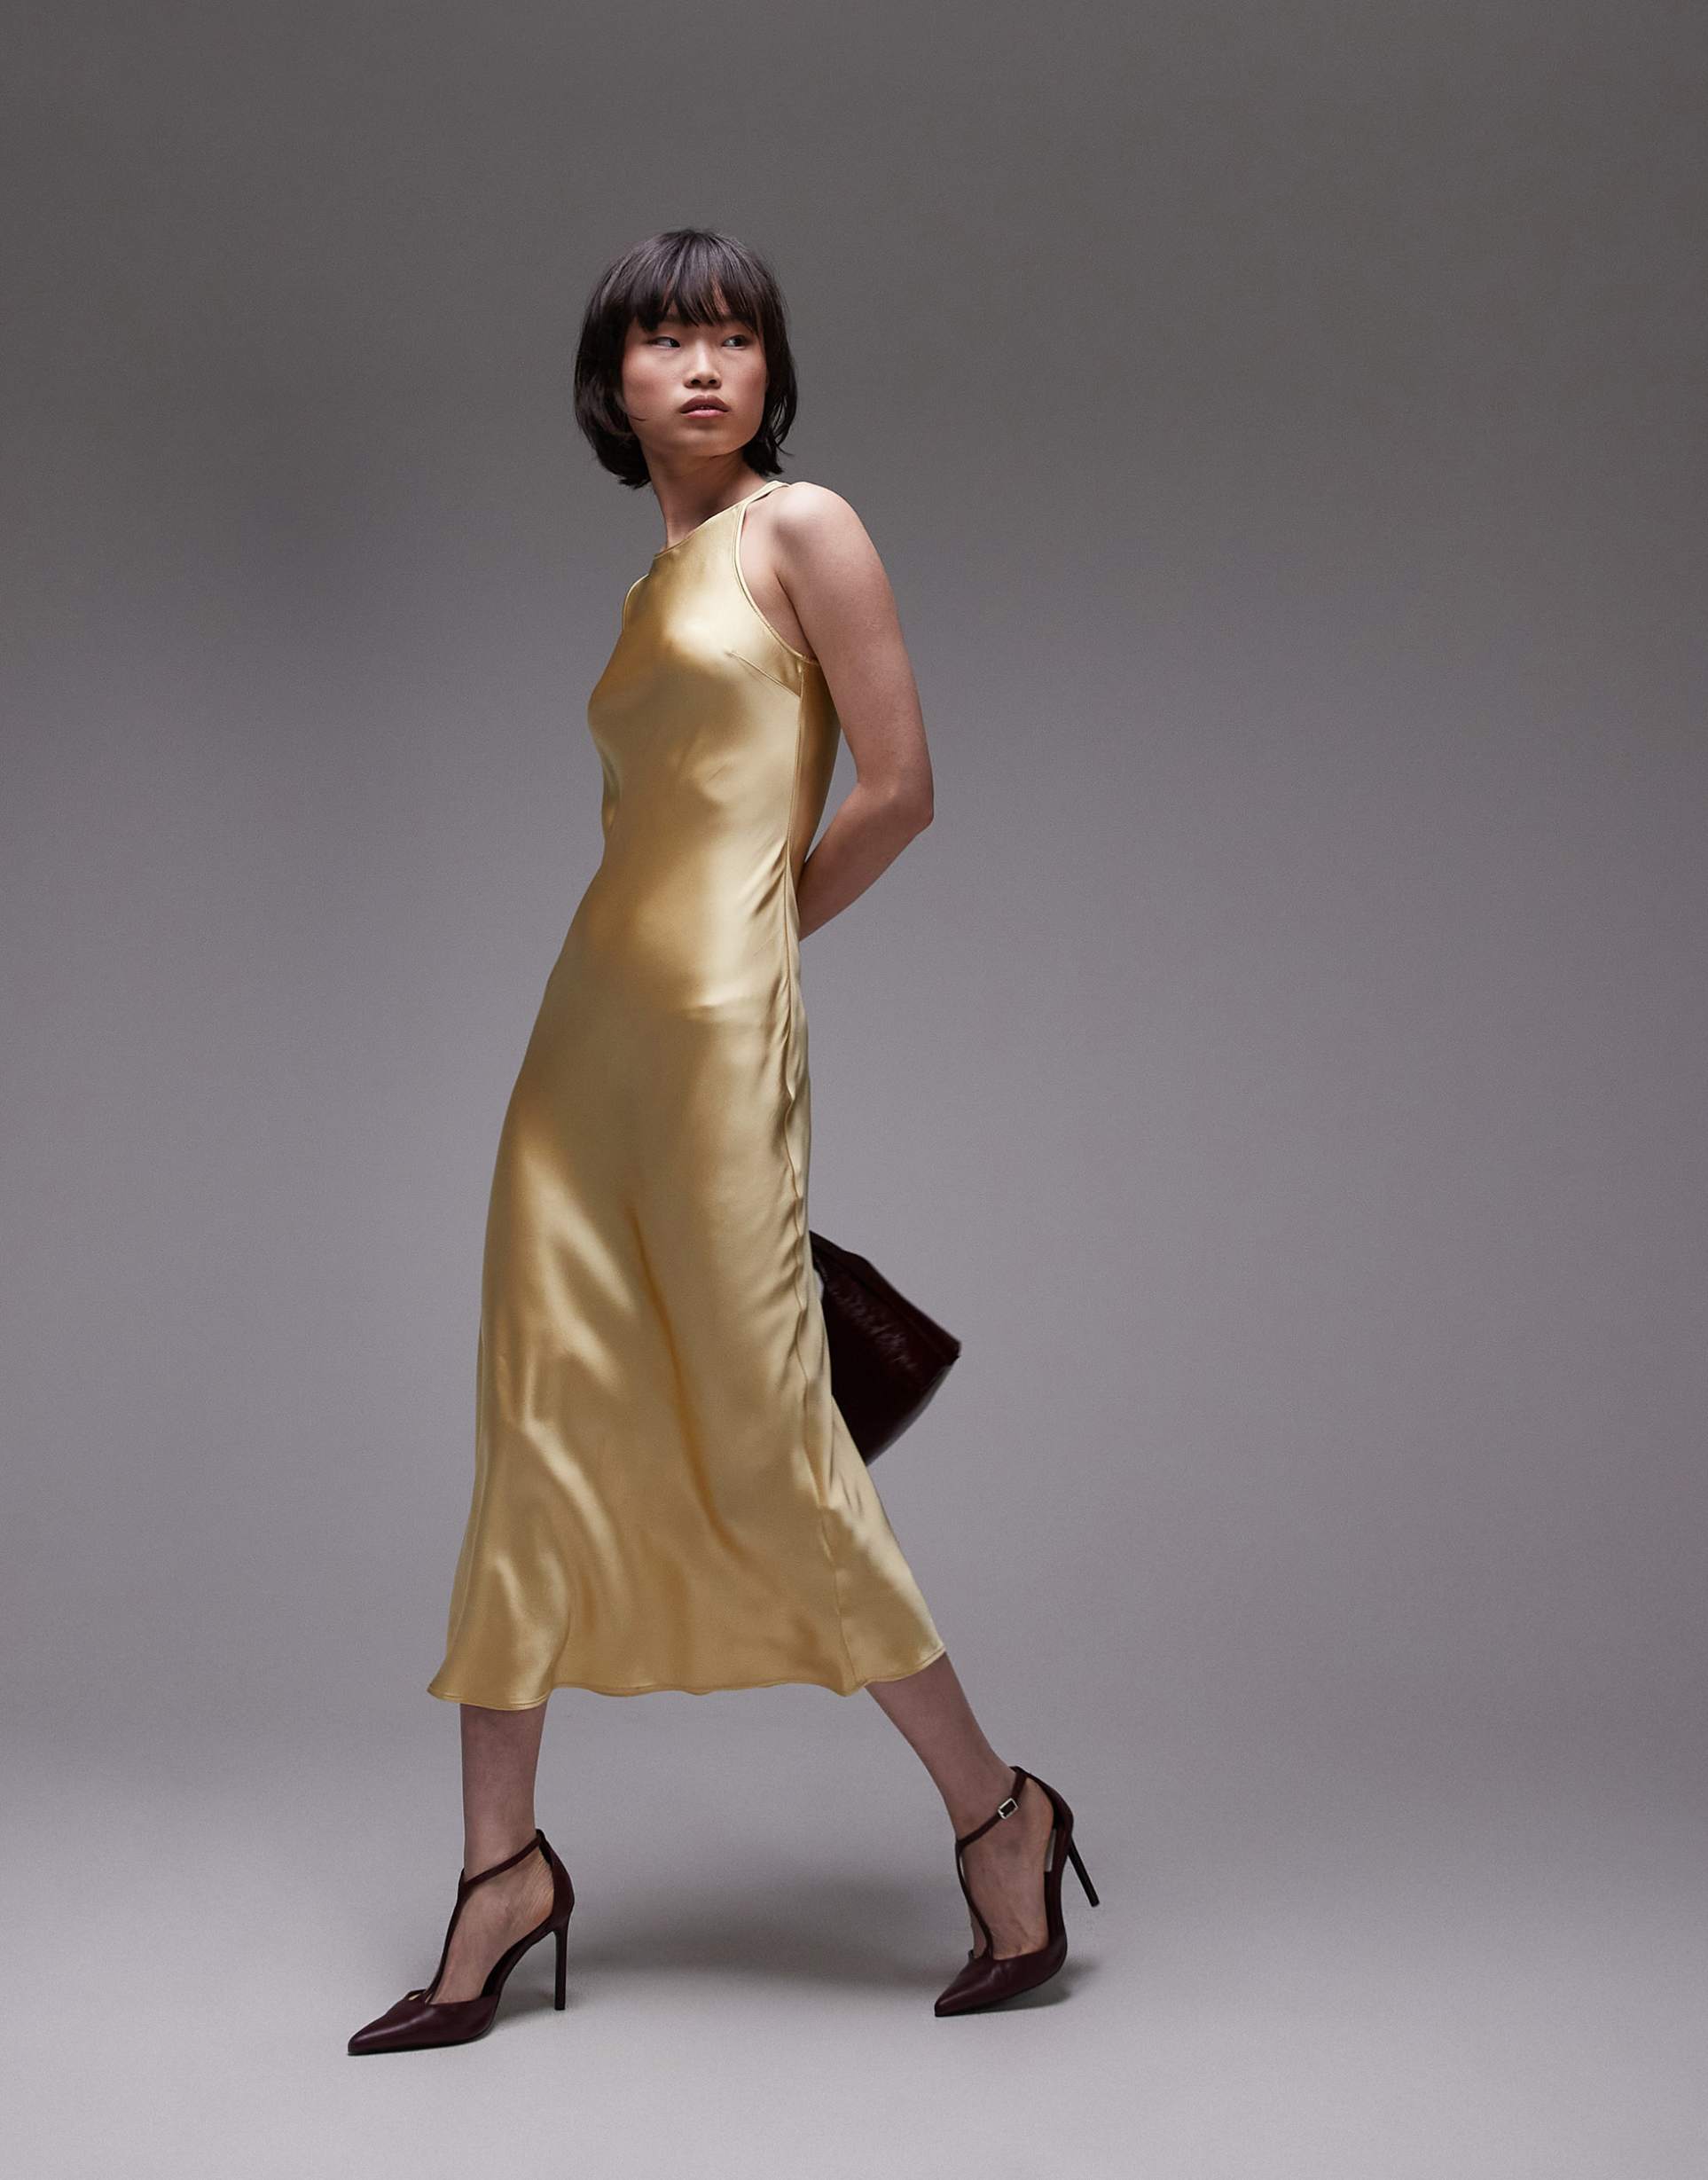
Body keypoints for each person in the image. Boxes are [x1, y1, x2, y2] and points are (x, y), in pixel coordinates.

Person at [348, 229, 1098, 2053]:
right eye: (666, 338)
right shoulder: (658, 570)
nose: (702, 365)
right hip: (575, 1048)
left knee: (769, 1428)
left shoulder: (801, 528)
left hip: (707, 1036)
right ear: (609, 384)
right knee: (532, 1423)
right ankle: (498, 1870)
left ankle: (999, 1808)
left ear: (772, 371)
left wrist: (756, 945)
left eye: (734, 336)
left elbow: (899, 788)